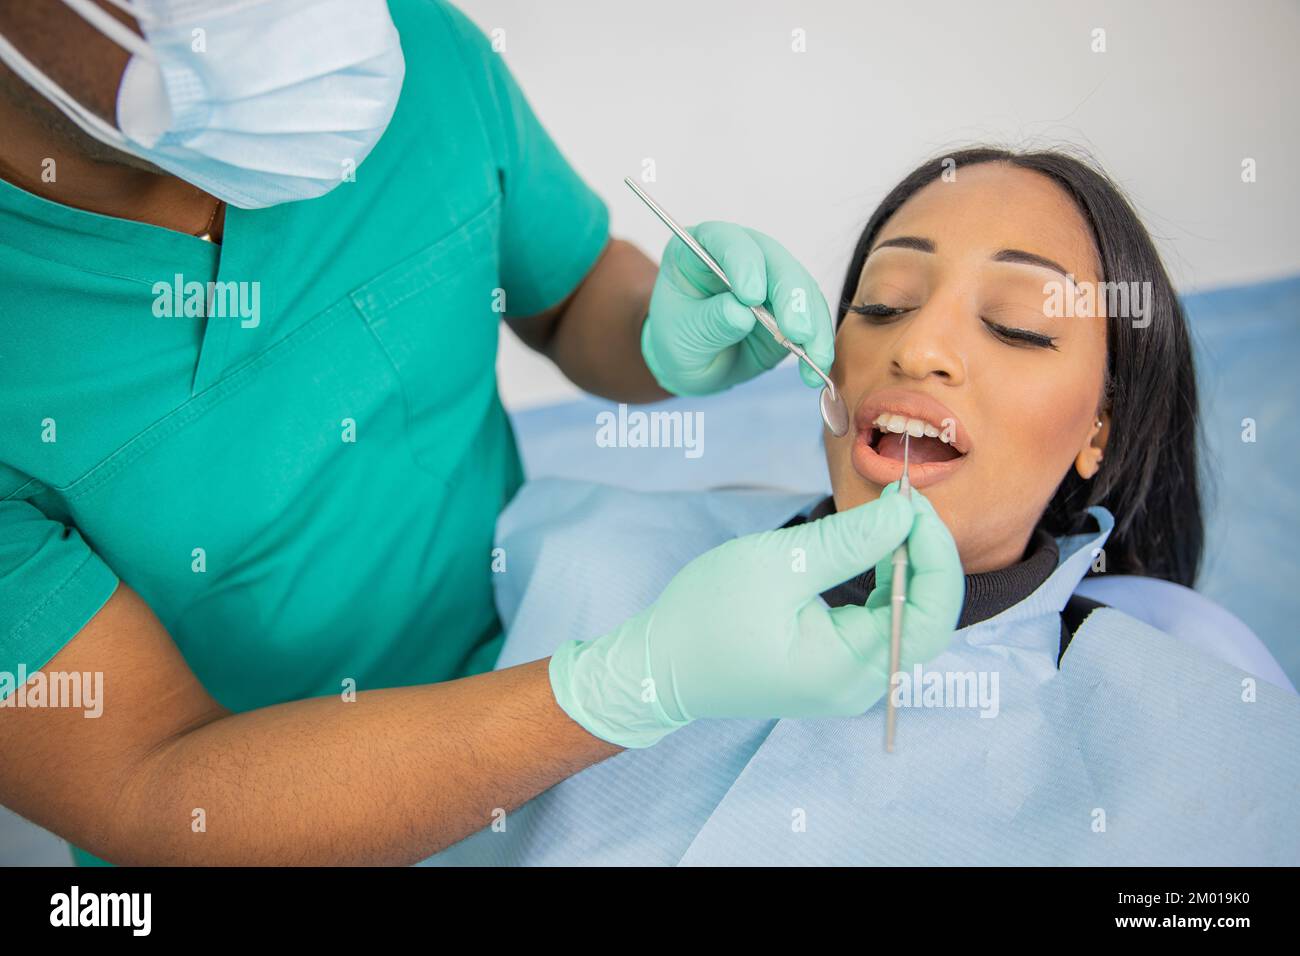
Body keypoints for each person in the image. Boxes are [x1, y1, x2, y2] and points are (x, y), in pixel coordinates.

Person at [0, 0, 961, 865]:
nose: (926, 358)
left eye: (1021, 325)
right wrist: (622, 689)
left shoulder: (404, 59)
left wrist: (656, 335)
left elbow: (570, 293)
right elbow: (152, 783)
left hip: (535, 635)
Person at [424, 147, 1300, 866]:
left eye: (1019, 324)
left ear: (1099, 430)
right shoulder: (575, 550)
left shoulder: (1208, 745)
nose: (917, 347)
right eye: (882, 304)